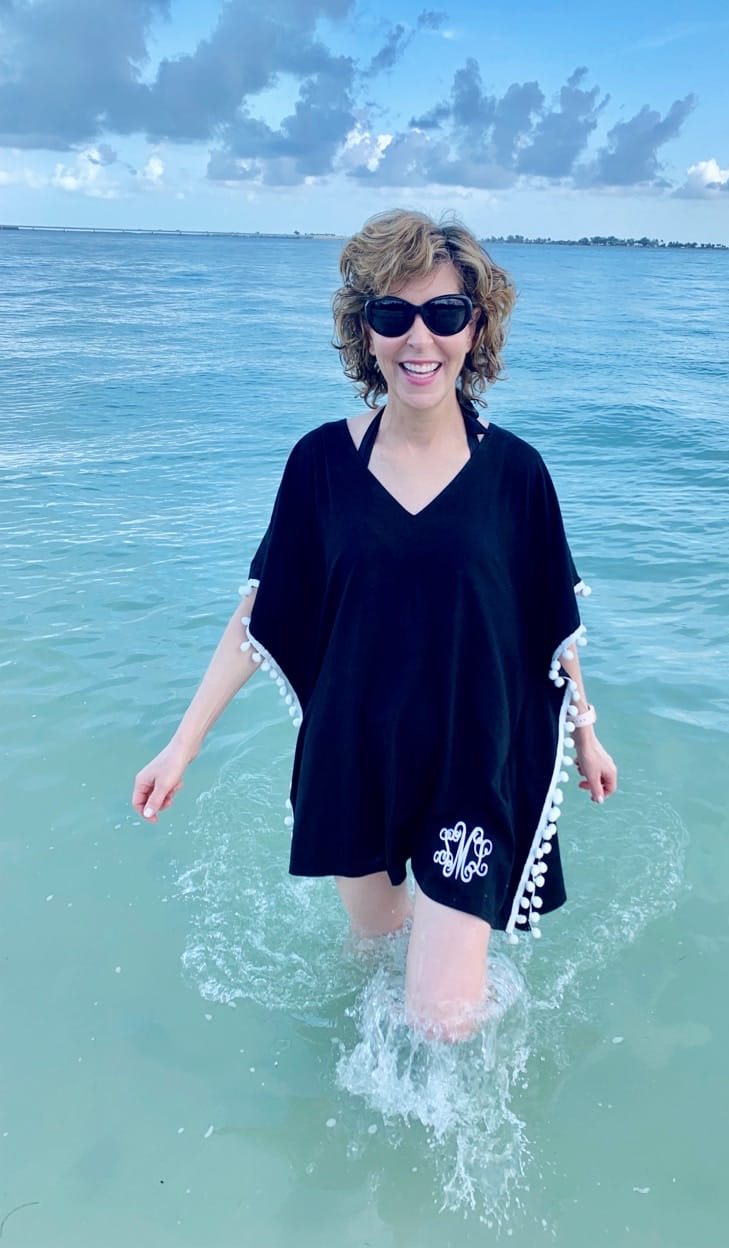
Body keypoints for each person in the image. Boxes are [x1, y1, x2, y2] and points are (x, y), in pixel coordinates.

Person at [133, 209, 617, 1042]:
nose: (418, 339)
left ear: (476, 329)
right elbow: (260, 613)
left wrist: (586, 736)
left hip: (475, 762)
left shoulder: (517, 475)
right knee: (375, 958)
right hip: (355, 755)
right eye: (393, 316)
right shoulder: (320, 463)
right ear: (366, 332)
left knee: (441, 1021)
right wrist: (182, 745)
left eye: (445, 314)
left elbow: (549, 626)